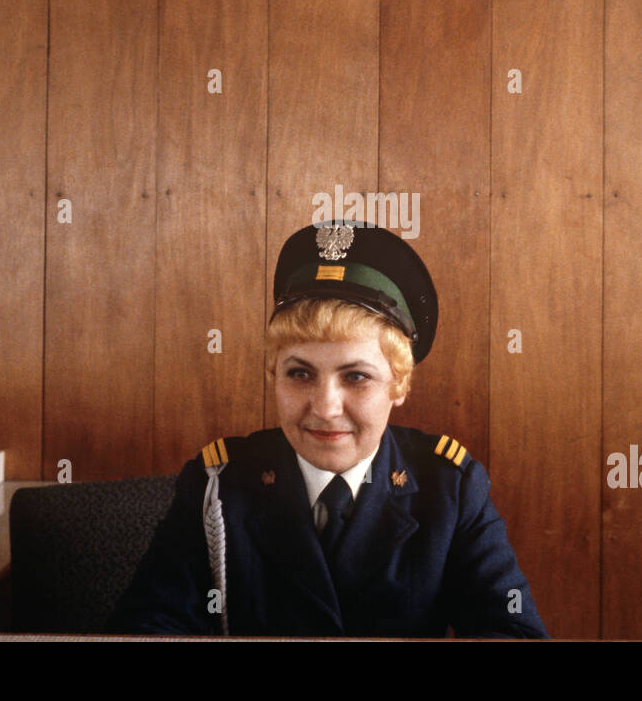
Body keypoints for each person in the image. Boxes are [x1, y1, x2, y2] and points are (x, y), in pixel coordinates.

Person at [108, 222, 547, 637]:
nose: (325, 407)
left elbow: (512, 631)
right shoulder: (217, 486)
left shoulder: (449, 489)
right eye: (300, 374)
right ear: (273, 376)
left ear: (399, 384)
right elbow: (145, 630)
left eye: (356, 377)